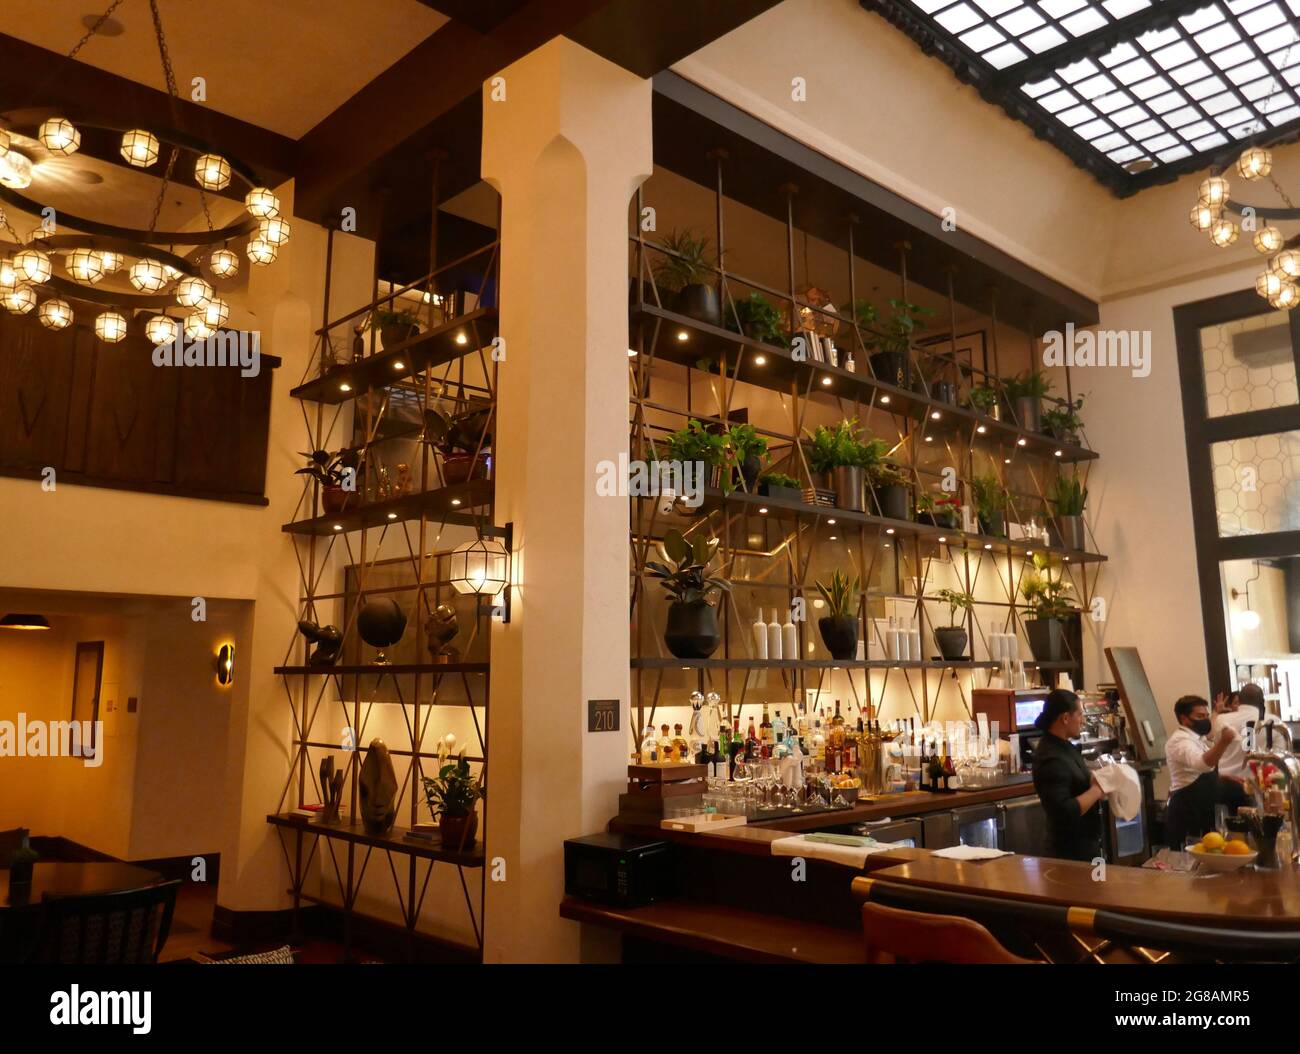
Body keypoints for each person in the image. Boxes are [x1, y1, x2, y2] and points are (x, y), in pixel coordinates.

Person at [1032, 689, 1104, 861]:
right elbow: (1064, 811)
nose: (1083, 721)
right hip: (1069, 855)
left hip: (1086, 848)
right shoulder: (1051, 757)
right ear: (1065, 718)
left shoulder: (1065, 747)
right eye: (1079, 715)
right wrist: (1096, 790)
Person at [1165, 695, 1235, 848]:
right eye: (1200, 716)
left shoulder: (1197, 738)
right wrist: (1224, 742)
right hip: (1187, 810)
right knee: (1189, 862)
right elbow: (1202, 764)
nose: (1205, 720)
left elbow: (1209, 735)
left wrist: (1224, 778)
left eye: (1206, 716)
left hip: (1202, 808)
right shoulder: (1180, 741)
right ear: (1184, 719)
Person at [1213, 689, 1252, 811]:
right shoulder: (1222, 723)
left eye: (1242, 704)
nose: (1240, 707)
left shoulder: (1250, 726)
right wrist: (1216, 712)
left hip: (1247, 782)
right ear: (1229, 706)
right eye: (1236, 703)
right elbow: (1209, 735)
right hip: (1226, 783)